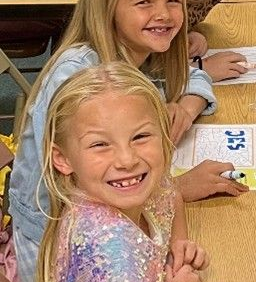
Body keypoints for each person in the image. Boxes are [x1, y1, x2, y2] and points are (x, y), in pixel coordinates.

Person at [9, 0, 246, 282]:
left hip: (122, 217)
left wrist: (186, 104)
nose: (163, 14)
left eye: (173, 1)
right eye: (144, 3)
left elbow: (191, 76)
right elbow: (77, 179)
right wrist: (177, 186)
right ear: (109, 10)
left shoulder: (135, 50)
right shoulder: (80, 75)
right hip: (51, 229)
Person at [37, 63, 209, 282]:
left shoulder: (145, 182)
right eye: (100, 144)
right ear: (63, 159)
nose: (127, 160)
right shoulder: (109, 256)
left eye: (140, 137)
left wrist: (177, 250)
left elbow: (170, 195)